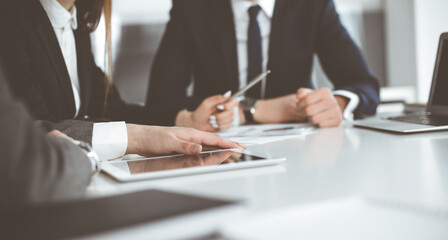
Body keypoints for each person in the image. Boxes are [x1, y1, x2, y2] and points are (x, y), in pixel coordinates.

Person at [0, 0, 246, 161]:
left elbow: (111, 109)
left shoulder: (74, 24)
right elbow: (34, 128)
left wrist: (185, 119)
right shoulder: (10, 19)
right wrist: (139, 138)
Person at [147, 0, 380, 131]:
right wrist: (254, 110)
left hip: (298, 152)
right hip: (218, 151)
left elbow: (364, 84)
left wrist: (338, 103)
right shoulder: (192, 7)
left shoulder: (312, 4)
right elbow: (159, 101)